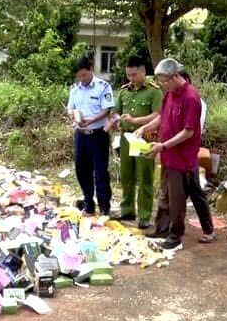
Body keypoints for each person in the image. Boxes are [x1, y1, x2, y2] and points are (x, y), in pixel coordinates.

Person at [136, 58, 203, 250]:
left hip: (181, 157)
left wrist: (163, 145)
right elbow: (160, 117)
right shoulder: (169, 94)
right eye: (160, 81)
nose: (162, 85)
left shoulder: (191, 97)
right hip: (166, 155)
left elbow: (188, 131)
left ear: (175, 76)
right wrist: (144, 128)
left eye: (165, 80)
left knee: (177, 199)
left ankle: (175, 235)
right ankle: (162, 228)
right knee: (164, 194)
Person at [109, 56, 162, 227]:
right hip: (125, 138)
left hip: (143, 138)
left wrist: (134, 120)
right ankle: (127, 210)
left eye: (134, 74)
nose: (131, 78)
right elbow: (116, 111)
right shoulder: (124, 91)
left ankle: (145, 216)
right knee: (127, 175)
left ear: (143, 72)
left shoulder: (154, 91)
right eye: (128, 75)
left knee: (144, 176)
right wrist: (115, 121)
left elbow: (157, 115)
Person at [67, 56, 115, 216]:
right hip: (81, 135)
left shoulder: (103, 87)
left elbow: (107, 109)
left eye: (84, 75)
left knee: (100, 171)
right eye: (79, 76)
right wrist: (74, 117)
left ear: (91, 70)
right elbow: (70, 109)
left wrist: (92, 119)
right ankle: (88, 202)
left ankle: (104, 206)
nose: (82, 79)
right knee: (81, 170)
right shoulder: (75, 89)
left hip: (98, 134)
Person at [177, 70, 216, 242]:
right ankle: (174, 228)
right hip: (175, 152)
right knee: (177, 192)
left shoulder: (195, 101)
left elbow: (191, 130)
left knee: (194, 190)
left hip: (188, 152)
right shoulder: (174, 99)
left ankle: (208, 230)